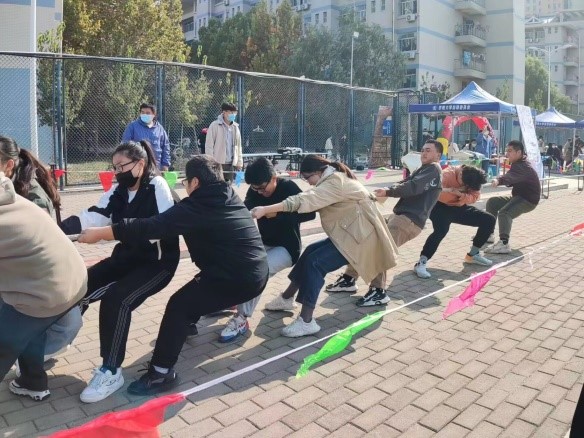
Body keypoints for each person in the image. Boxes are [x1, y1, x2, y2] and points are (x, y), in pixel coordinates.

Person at [78, 155, 269, 396]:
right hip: (253, 271)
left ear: (195, 182)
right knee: (193, 298)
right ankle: (186, 327)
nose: (185, 186)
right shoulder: (226, 195)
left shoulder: (199, 206)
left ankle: (161, 373)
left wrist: (103, 233)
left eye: (186, 181)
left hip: (235, 278)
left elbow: (153, 226)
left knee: (179, 306)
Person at [60, 140, 180, 403]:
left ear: (140, 164)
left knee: (117, 299)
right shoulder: (119, 190)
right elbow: (94, 215)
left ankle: (111, 371)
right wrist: (56, 230)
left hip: (157, 264)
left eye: (121, 166)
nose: (117, 172)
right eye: (114, 167)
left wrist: (109, 232)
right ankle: (56, 342)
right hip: (126, 258)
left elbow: (161, 227)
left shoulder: (157, 186)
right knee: (79, 286)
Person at [251, 155, 398, 337]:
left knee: (315, 263)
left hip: (359, 239)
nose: (308, 183)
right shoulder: (331, 179)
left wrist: (266, 209)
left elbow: (304, 200)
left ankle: (306, 321)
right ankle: (286, 299)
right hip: (351, 234)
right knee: (310, 252)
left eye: (308, 178)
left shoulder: (334, 182)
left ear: (319, 171)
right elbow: (310, 197)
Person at [0, 174, 87, 402]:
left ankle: (32, 379)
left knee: (9, 334)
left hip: (47, 291)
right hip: (67, 281)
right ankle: (31, 382)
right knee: (28, 324)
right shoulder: (9, 194)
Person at [327, 140, 443, 304]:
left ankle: (378, 291)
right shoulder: (425, 169)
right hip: (401, 217)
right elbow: (405, 183)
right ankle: (349, 279)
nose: (424, 153)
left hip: (408, 221)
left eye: (428, 150)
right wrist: (387, 190)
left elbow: (412, 187)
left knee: (379, 249)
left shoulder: (433, 169)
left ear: (438, 155)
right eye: (423, 150)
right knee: (367, 241)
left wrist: (388, 191)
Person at [0, 136, 83, 363]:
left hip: (45, 282)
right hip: (37, 280)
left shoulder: (31, 195)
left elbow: (31, 247)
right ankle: (31, 370)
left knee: (27, 323)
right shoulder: (11, 185)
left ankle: (32, 361)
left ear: (9, 165)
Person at [217, 157, 315, 342]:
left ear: (273, 178)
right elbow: (245, 208)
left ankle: (241, 319)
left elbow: (310, 214)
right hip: (264, 242)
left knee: (259, 271)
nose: (260, 192)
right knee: (235, 260)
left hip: (287, 248)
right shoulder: (255, 190)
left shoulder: (288, 187)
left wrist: (274, 213)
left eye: (263, 187)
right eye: (256, 189)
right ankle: (232, 300)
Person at [414, 165, 495, 279]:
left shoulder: (473, 177)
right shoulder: (446, 175)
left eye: (469, 186)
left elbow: (475, 197)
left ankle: (473, 255)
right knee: (441, 231)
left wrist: (461, 194)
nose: (467, 187)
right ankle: (421, 262)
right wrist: (456, 193)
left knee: (489, 219)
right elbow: (437, 194)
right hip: (439, 206)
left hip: (459, 206)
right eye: (466, 185)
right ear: (460, 174)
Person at [485, 140, 541, 254]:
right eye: (507, 151)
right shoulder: (518, 163)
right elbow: (513, 178)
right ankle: (489, 234)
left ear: (519, 152)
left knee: (505, 213)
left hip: (527, 200)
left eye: (510, 151)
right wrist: (502, 180)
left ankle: (504, 244)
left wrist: (499, 180)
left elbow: (510, 176)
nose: (507, 154)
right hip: (518, 197)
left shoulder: (523, 166)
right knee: (492, 202)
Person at [122, 103, 171, 171]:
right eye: (142, 112)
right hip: (138, 167)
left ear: (154, 114)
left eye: (148, 113)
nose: (145, 115)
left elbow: (165, 147)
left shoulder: (160, 129)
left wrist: (165, 164)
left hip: (156, 167)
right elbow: (125, 145)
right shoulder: (132, 127)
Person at [205, 102, 243, 182]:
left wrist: (239, 162)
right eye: (231, 112)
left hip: (230, 164)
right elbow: (209, 146)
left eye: (235, 112)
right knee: (216, 185)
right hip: (217, 164)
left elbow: (239, 147)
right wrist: (211, 163)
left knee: (228, 187)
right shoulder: (214, 125)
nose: (233, 114)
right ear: (224, 112)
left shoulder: (236, 128)